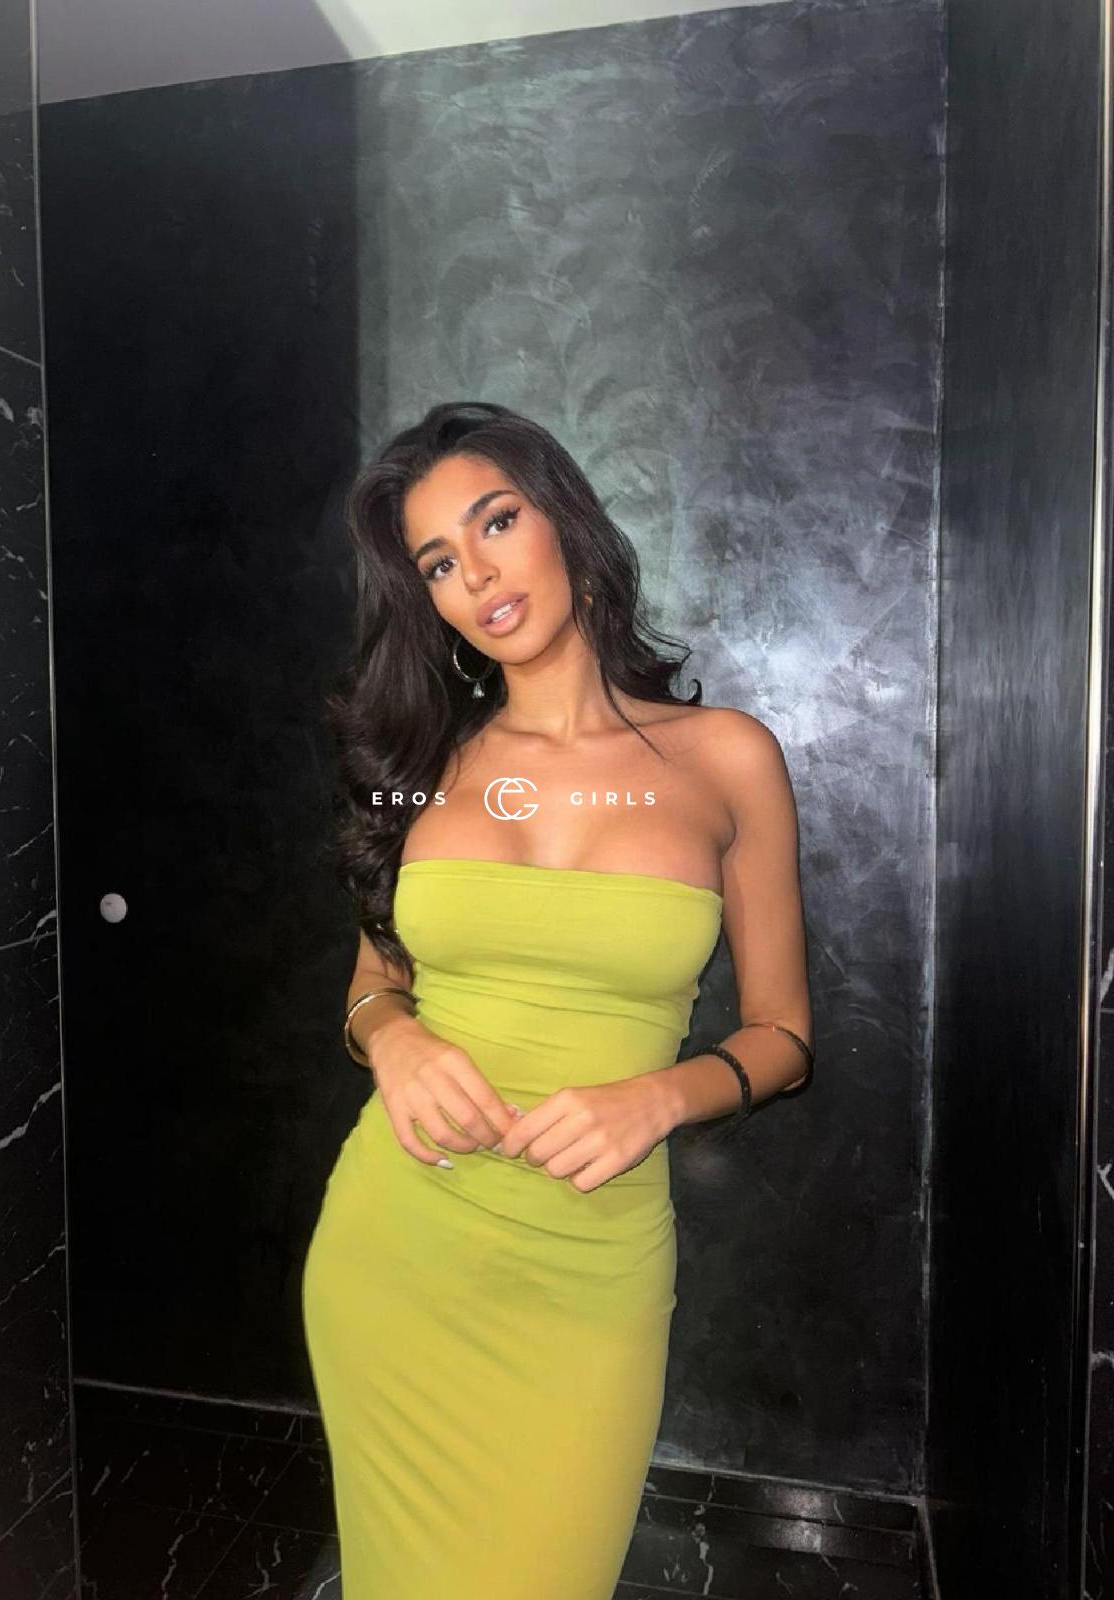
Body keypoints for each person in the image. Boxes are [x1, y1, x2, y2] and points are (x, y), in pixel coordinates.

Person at [302, 400, 813, 1599]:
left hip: (590, 1270)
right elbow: (374, 981)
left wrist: (660, 1097)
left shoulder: (726, 756)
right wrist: (393, 1040)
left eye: (495, 522)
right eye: (438, 561)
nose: (476, 574)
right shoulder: (422, 766)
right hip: (397, 1246)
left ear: (564, 522)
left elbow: (785, 1034)